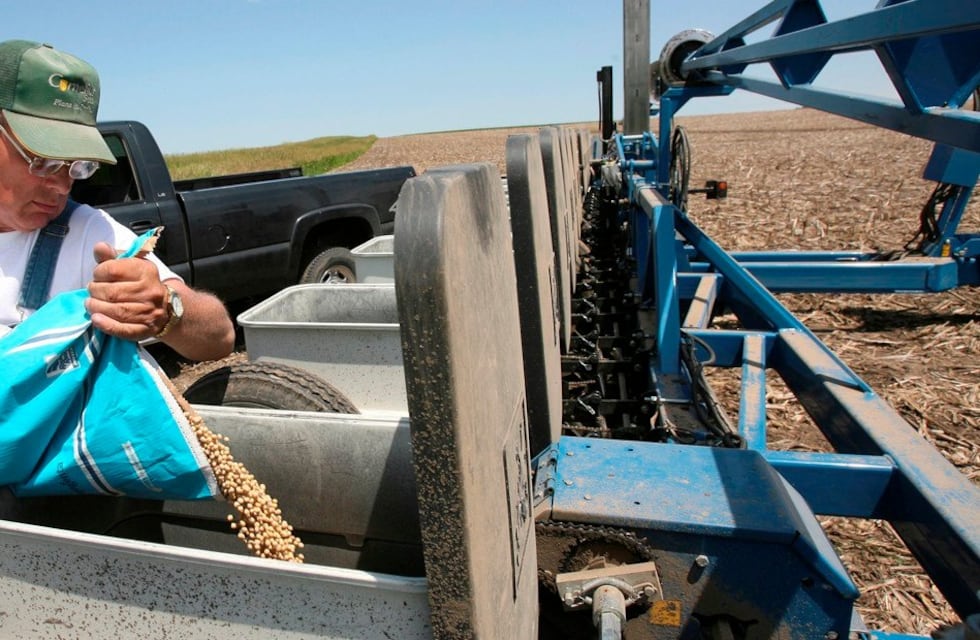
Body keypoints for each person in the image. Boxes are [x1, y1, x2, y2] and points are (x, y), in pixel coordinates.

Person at [0, 39, 234, 362]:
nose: (62, 186)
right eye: (43, 159)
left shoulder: (87, 235)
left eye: (77, 166)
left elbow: (220, 335)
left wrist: (168, 310)